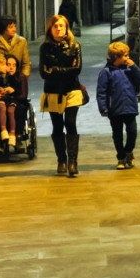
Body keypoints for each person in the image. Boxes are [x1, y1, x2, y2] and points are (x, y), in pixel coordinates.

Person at [39, 14, 84, 177]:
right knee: (57, 126)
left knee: (70, 123)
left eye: (61, 26)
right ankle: (61, 160)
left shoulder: (75, 46)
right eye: (55, 26)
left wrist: (56, 70)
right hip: (52, 91)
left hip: (72, 90)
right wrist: (66, 70)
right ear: (50, 29)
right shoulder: (45, 48)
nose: (58, 29)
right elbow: (44, 73)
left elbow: (77, 70)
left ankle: (73, 162)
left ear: (67, 28)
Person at [96, 42, 140, 170]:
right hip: (115, 109)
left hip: (130, 107)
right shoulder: (106, 72)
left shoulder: (130, 69)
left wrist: (134, 67)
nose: (128, 58)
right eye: (125, 56)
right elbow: (101, 92)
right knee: (117, 134)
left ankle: (128, 151)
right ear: (116, 57)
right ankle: (121, 157)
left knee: (132, 132)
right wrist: (103, 107)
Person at [0, 54, 28, 150]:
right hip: (2, 101)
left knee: (19, 109)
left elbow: (23, 95)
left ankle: (17, 136)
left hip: (17, 101)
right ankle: (1, 138)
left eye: (14, 65)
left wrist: (13, 92)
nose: (11, 67)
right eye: (8, 64)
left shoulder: (20, 77)